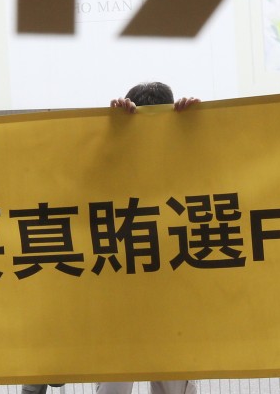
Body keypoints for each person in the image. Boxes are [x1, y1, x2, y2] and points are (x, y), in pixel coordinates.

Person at [99, 81, 199, 394]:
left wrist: (199, 127)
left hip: (170, 295)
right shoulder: (112, 159)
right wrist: (113, 130)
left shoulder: (186, 155)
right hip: (122, 293)